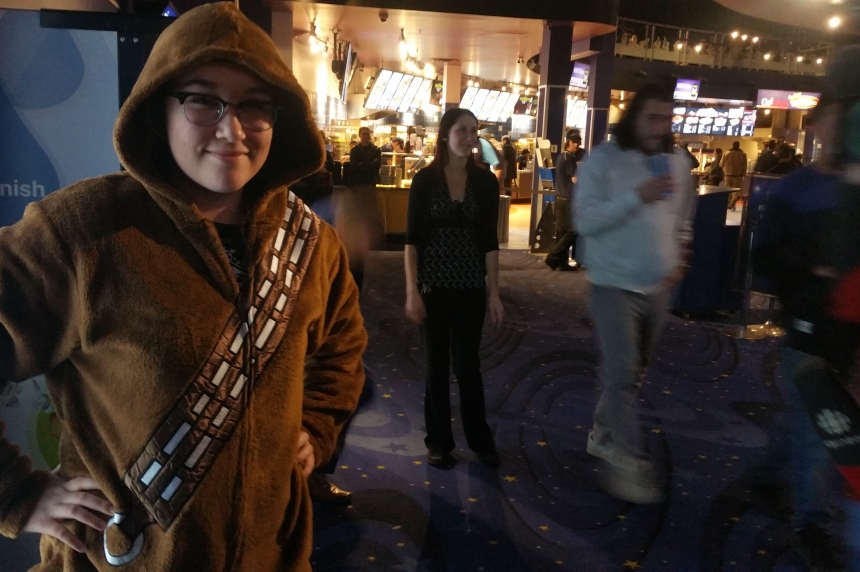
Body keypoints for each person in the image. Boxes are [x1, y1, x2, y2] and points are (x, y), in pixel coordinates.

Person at [0, 4, 366, 571]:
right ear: (158, 108)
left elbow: (342, 350)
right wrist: (17, 495)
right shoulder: (82, 231)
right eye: (203, 99)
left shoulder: (311, 244)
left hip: (274, 556)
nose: (232, 128)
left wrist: (316, 427)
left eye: (255, 105)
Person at [752, 90, 860, 572]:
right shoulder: (795, 189)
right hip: (809, 326)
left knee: (806, 421)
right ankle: (811, 520)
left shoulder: (853, 188)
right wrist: (810, 275)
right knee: (820, 429)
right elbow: (766, 255)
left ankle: (766, 473)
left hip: (847, 327)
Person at [574, 83, 695, 504]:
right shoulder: (602, 161)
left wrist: (680, 253)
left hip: (657, 286)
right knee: (623, 373)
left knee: (633, 373)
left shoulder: (676, 162)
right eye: (652, 118)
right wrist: (635, 197)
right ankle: (626, 460)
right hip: (612, 284)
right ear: (633, 116)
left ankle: (602, 433)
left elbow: (683, 216)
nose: (660, 127)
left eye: (667, 118)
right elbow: (585, 221)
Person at [403, 108, 504, 470]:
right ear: (445, 134)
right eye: (462, 130)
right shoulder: (425, 180)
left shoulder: (485, 182)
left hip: (471, 287)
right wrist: (412, 291)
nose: (468, 136)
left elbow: (490, 241)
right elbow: (412, 241)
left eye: (474, 131)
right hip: (432, 286)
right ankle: (439, 442)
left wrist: (494, 292)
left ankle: (480, 440)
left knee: (467, 365)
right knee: (435, 366)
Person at [545, 130, 586, 271]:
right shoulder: (569, 158)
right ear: (568, 142)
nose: (577, 145)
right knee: (573, 230)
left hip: (560, 198)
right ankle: (553, 257)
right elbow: (575, 179)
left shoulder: (562, 157)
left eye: (578, 143)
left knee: (562, 232)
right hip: (568, 199)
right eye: (574, 142)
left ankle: (561, 262)